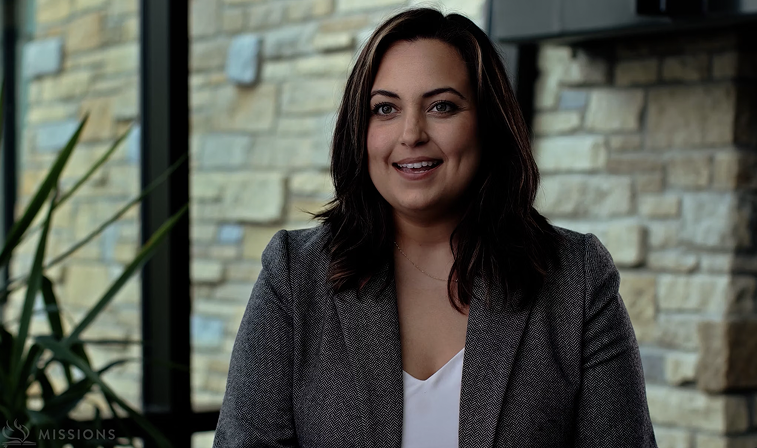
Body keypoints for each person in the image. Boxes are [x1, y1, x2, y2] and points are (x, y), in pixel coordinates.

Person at [213, 7, 657, 448]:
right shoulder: (294, 275)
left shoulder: (576, 279)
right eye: (385, 108)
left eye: (441, 106)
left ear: (488, 123)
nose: (411, 134)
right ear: (360, 130)